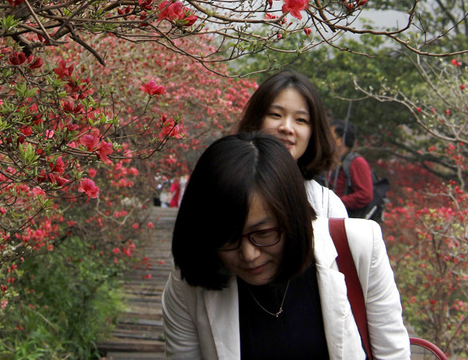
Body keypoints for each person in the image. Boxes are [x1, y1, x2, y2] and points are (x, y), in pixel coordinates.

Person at [162, 133, 410, 359]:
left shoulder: (359, 246)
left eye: (264, 233)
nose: (249, 255)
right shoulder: (190, 284)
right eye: (228, 238)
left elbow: (392, 353)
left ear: (293, 217)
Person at [235, 71, 347, 219]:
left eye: (300, 120)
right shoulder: (227, 187)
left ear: (313, 132)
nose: (287, 128)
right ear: (256, 120)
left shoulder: (327, 206)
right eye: (276, 115)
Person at [328, 120, 374, 217]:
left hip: (345, 220)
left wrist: (337, 203)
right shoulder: (331, 162)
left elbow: (365, 195)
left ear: (340, 140)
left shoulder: (357, 162)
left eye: (330, 135)